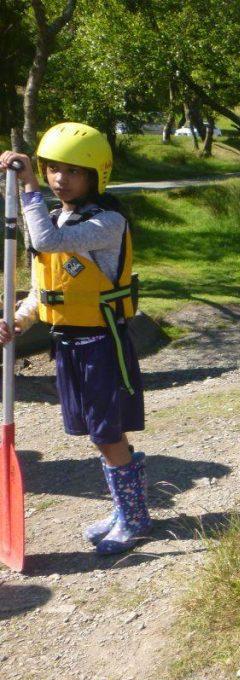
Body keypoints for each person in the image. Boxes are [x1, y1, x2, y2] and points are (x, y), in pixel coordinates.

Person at [0, 122, 149, 556]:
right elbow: (43, 289)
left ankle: (135, 519)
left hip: (102, 344)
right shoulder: (54, 218)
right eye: (52, 169)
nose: (59, 179)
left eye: (73, 171)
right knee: (100, 434)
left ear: (96, 175)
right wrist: (19, 321)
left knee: (107, 433)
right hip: (66, 344)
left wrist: (28, 187)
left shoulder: (107, 222)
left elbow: (46, 242)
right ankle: (125, 510)